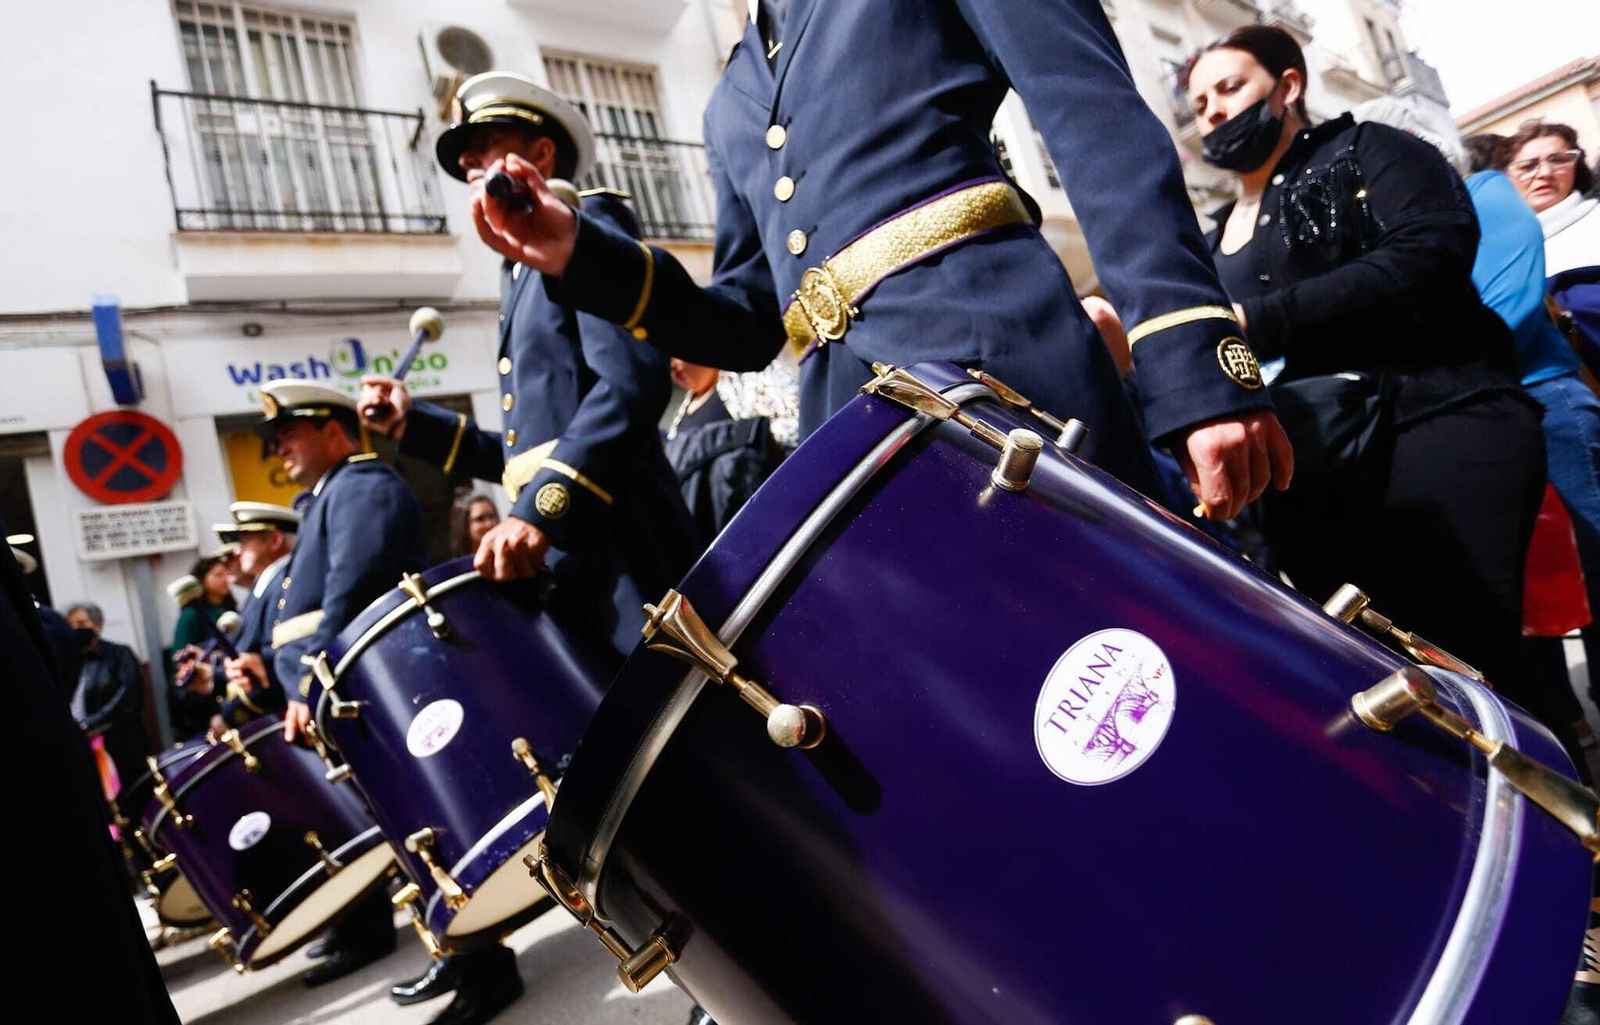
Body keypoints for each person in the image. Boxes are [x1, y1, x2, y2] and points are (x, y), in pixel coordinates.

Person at [470, 0, 1293, 527]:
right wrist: (582, 253)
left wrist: (1195, 362)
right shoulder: (731, 97)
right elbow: (750, 319)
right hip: (850, 429)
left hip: (1008, 366)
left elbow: (1095, 121)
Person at [359, 71, 700, 1025]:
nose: (473, 180)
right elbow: (523, 458)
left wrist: (542, 515)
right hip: (572, 559)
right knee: (624, 788)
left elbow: (629, 390)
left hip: (619, 545)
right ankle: (713, 958)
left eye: (480, 160)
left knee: (679, 770)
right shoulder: (522, 270)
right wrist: (417, 430)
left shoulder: (587, 229)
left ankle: (756, 952)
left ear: (537, 155)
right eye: (464, 168)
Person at [1186, 25, 1547, 705]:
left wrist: (1256, 321)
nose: (1213, 111)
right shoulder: (1206, 238)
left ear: (1288, 86)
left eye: (1230, 87)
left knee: (1471, 657)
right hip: (1318, 473)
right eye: (1200, 101)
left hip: (1441, 416)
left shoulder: (1368, 152)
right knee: (1388, 680)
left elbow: (1430, 249)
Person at [256, 380, 427, 987]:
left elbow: (352, 591)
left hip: (361, 686)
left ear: (334, 430)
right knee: (392, 825)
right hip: (343, 689)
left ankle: (476, 961)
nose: (280, 452)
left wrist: (306, 681)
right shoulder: (333, 493)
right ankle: (462, 958)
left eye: (289, 435)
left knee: (414, 824)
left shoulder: (362, 486)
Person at [6, 534, 180, 1021]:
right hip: (84, 758)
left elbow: (124, 697)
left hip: (119, 754)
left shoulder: (110, 652)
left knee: (139, 824)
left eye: (85, 623)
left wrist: (96, 724)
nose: (79, 628)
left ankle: (161, 894)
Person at [664, 357, 790, 539]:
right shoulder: (680, 414)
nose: (672, 366)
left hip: (762, 512)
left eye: (674, 355)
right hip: (713, 530)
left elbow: (791, 432)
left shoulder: (751, 376)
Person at [203, 503, 299, 735]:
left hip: (284, 711)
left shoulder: (287, 582)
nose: (237, 551)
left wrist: (231, 714)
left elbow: (280, 656)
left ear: (275, 540)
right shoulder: (265, 585)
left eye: (245, 541)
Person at [64, 601, 150, 791]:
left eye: (81, 623)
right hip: (87, 748)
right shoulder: (70, 662)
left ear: (98, 624)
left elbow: (128, 697)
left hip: (121, 745)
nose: (75, 629)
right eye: (70, 625)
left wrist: (92, 723)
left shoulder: (119, 654)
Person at [1502, 120, 1600, 276]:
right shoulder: (1504, 255)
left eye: (1559, 160)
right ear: (1505, 177)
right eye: (1527, 166)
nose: (1545, 173)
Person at [170, 554, 237, 651]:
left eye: (227, 574)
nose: (226, 579)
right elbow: (181, 653)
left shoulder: (229, 608)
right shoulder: (191, 614)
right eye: (219, 575)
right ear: (202, 580)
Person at [451, 490, 501, 559]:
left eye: (491, 516)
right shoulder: (458, 567)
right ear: (465, 526)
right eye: (480, 519)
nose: (489, 524)